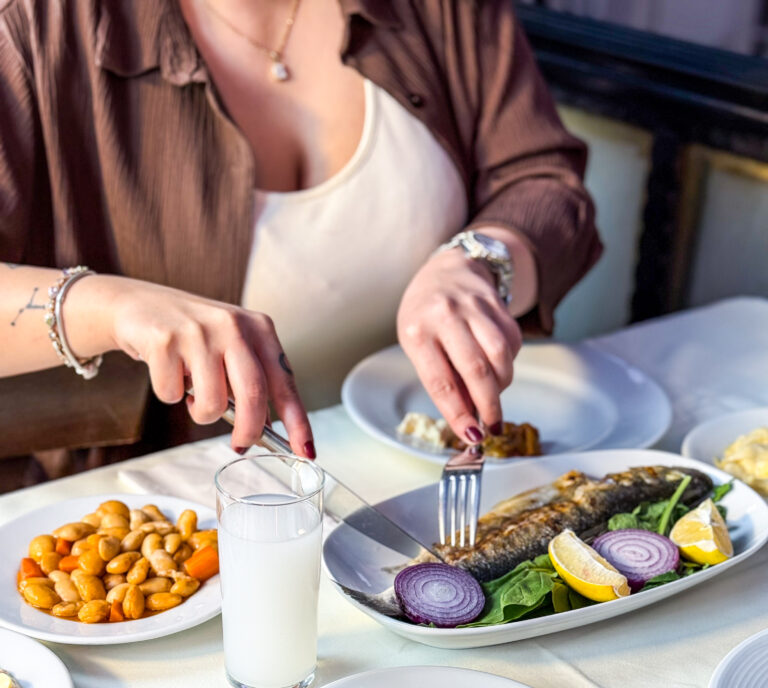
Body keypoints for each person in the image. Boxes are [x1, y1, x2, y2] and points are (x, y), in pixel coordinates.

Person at [0, 0, 602, 458]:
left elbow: (543, 179)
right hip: (158, 517)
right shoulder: (33, 24)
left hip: (427, 473)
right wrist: (111, 307)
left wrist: (481, 260)